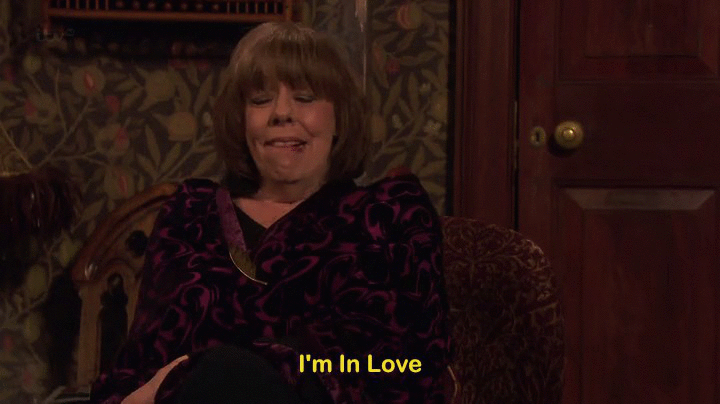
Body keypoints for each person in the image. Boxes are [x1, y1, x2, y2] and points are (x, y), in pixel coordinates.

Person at [90, 21, 451, 404]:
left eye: (305, 97)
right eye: (261, 100)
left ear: (340, 117)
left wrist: (216, 367)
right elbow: (142, 362)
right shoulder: (192, 214)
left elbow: (409, 366)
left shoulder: (389, 214)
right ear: (241, 121)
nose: (281, 113)